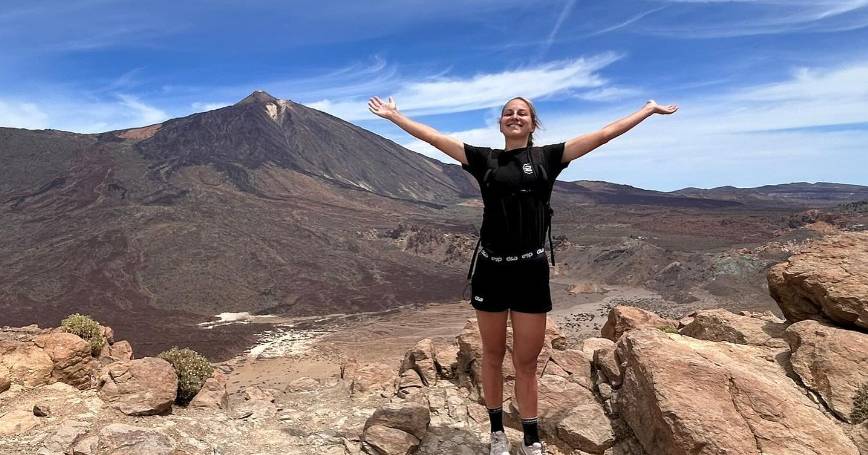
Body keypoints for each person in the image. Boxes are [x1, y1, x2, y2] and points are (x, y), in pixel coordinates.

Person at [368, 95, 677, 455]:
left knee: (526, 363)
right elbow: (434, 138)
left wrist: (647, 110)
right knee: (493, 354)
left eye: (522, 113)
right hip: (491, 270)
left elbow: (605, 134)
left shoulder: (548, 157)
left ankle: (531, 439)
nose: (515, 117)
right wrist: (393, 116)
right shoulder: (484, 158)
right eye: (509, 113)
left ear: (532, 124)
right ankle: (497, 431)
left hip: (529, 271)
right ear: (501, 123)